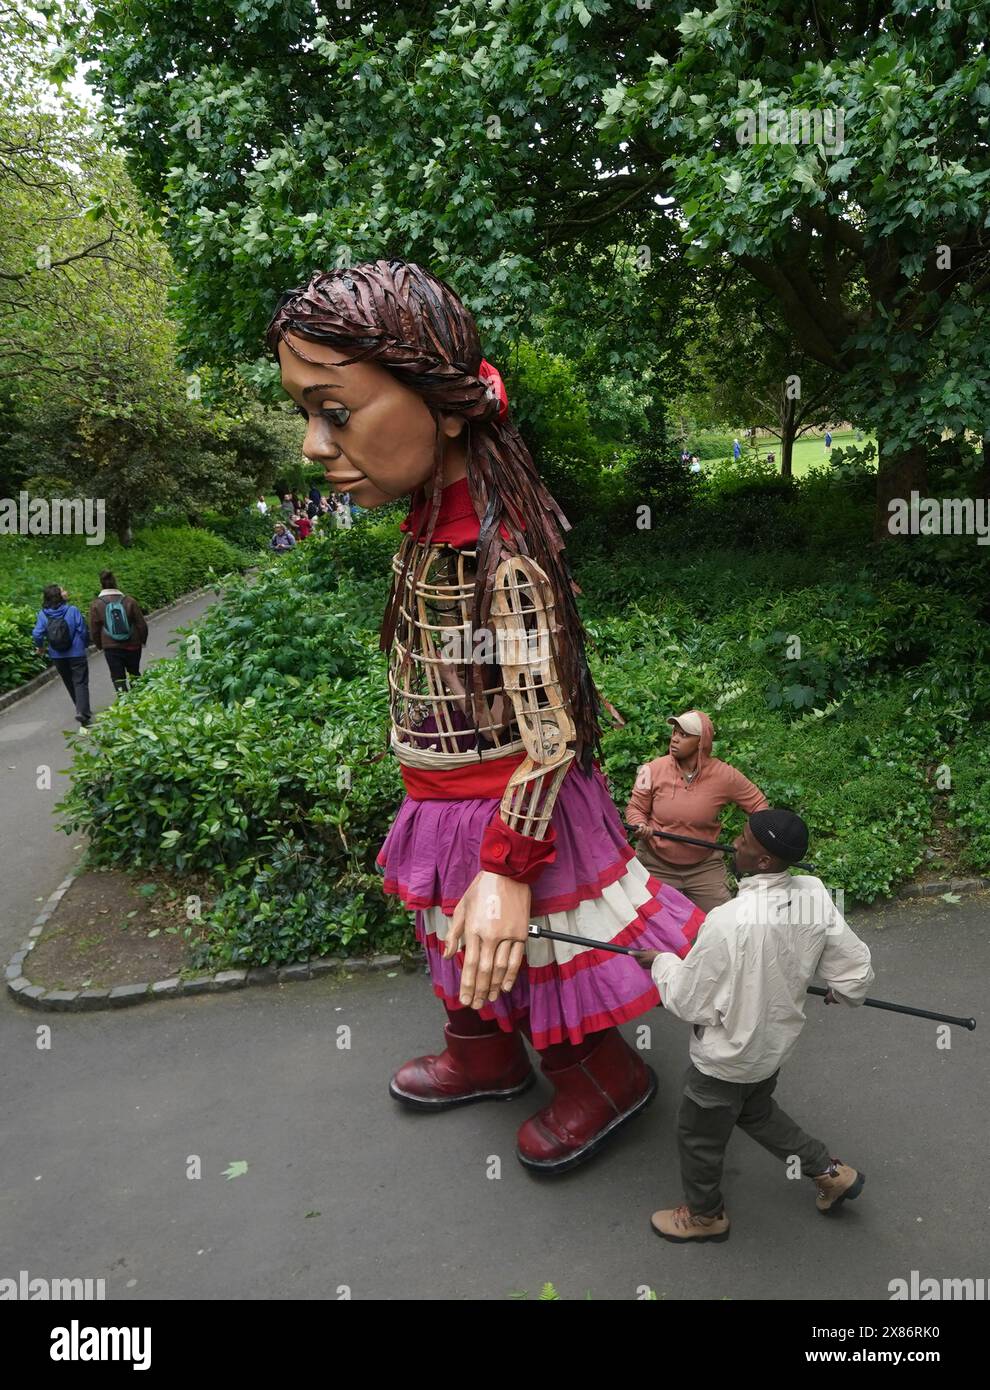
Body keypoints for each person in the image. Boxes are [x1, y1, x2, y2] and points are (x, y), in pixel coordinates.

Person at [266, 259, 707, 1174]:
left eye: (336, 411)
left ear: (447, 403)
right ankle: (484, 1053)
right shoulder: (427, 525)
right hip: (440, 800)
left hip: (518, 812)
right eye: (306, 412)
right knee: (459, 945)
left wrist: (507, 869)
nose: (314, 444)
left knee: (538, 949)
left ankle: (602, 1076)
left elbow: (554, 733)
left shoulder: (506, 558)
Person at [634, 809, 875, 1244]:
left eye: (743, 839)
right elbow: (854, 973)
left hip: (726, 1060)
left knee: (698, 1138)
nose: (735, 842)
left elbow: (687, 1001)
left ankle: (706, 1217)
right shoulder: (812, 893)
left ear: (763, 861)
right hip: (771, 1049)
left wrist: (663, 962)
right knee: (756, 1111)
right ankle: (829, 1172)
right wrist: (843, 991)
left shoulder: (728, 921)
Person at [626, 710, 768, 912]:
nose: (675, 739)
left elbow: (759, 805)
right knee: (647, 922)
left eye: (684, 735)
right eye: (674, 732)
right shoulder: (651, 769)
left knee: (725, 919)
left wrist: (749, 842)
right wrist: (640, 824)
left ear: (701, 743)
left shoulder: (724, 775)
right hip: (655, 863)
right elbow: (636, 807)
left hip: (704, 866)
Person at [32, 583, 92, 727]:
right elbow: (82, 629)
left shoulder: (42, 614)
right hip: (76, 652)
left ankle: (80, 709)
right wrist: (84, 644)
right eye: (63, 590)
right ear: (60, 596)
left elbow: (37, 633)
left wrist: (40, 647)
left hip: (57, 655)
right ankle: (82, 712)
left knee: (69, 682)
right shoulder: (72, 610)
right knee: (80, 682)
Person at [89, 571, 149, 696]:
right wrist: (142, 640)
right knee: (134, 673)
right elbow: (141, 623)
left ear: (101, 585)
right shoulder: (129, 601)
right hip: (133, 644)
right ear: (116, 583)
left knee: (117, 676)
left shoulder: (96, 604)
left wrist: (100, 645)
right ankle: (140, 698)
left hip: (111, 647)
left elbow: (94, 629)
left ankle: (124, 703)